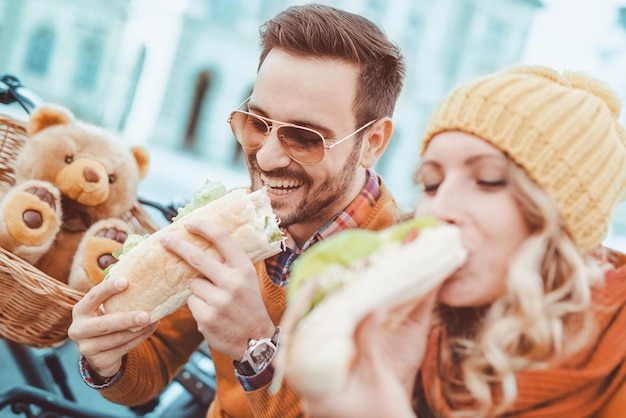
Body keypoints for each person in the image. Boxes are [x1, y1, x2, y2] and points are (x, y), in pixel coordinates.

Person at [67, 3, 406, 418]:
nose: (265, 158)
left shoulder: (405, 270)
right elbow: (154, 362)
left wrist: (256, 345)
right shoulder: (233, 221)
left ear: (372, 142)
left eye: (304, 137)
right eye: (257, 123)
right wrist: (108, 361)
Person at [294, 65, 626, 418]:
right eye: (432, 184)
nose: (440, 209)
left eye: (488, 180)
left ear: (564, 218)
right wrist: (396, 382)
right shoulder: (421, 339)